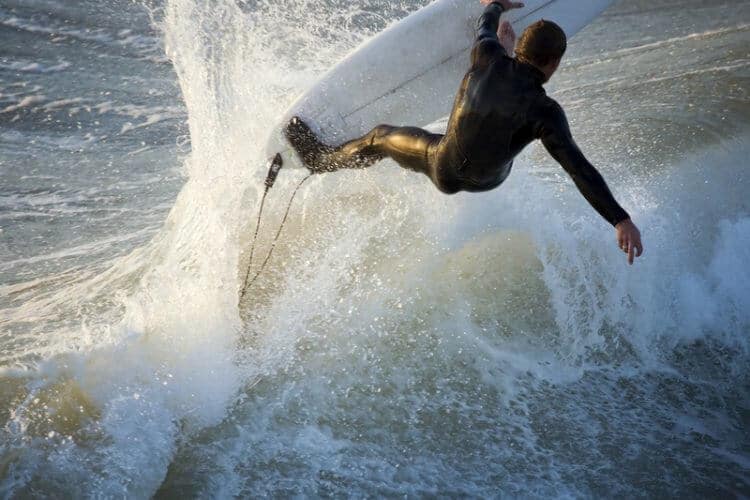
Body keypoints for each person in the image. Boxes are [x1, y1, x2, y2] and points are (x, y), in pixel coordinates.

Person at [285, 0, 644, 265]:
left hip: (444, 165)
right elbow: (579, 168)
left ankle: (319, 159)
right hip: (490, 178)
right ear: (554, 63)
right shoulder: (547, 113)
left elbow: (484, 25)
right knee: (512, 134)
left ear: (517, 47)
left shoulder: (486, 56)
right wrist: (620, 219)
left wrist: (496, 6)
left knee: (379, 136)